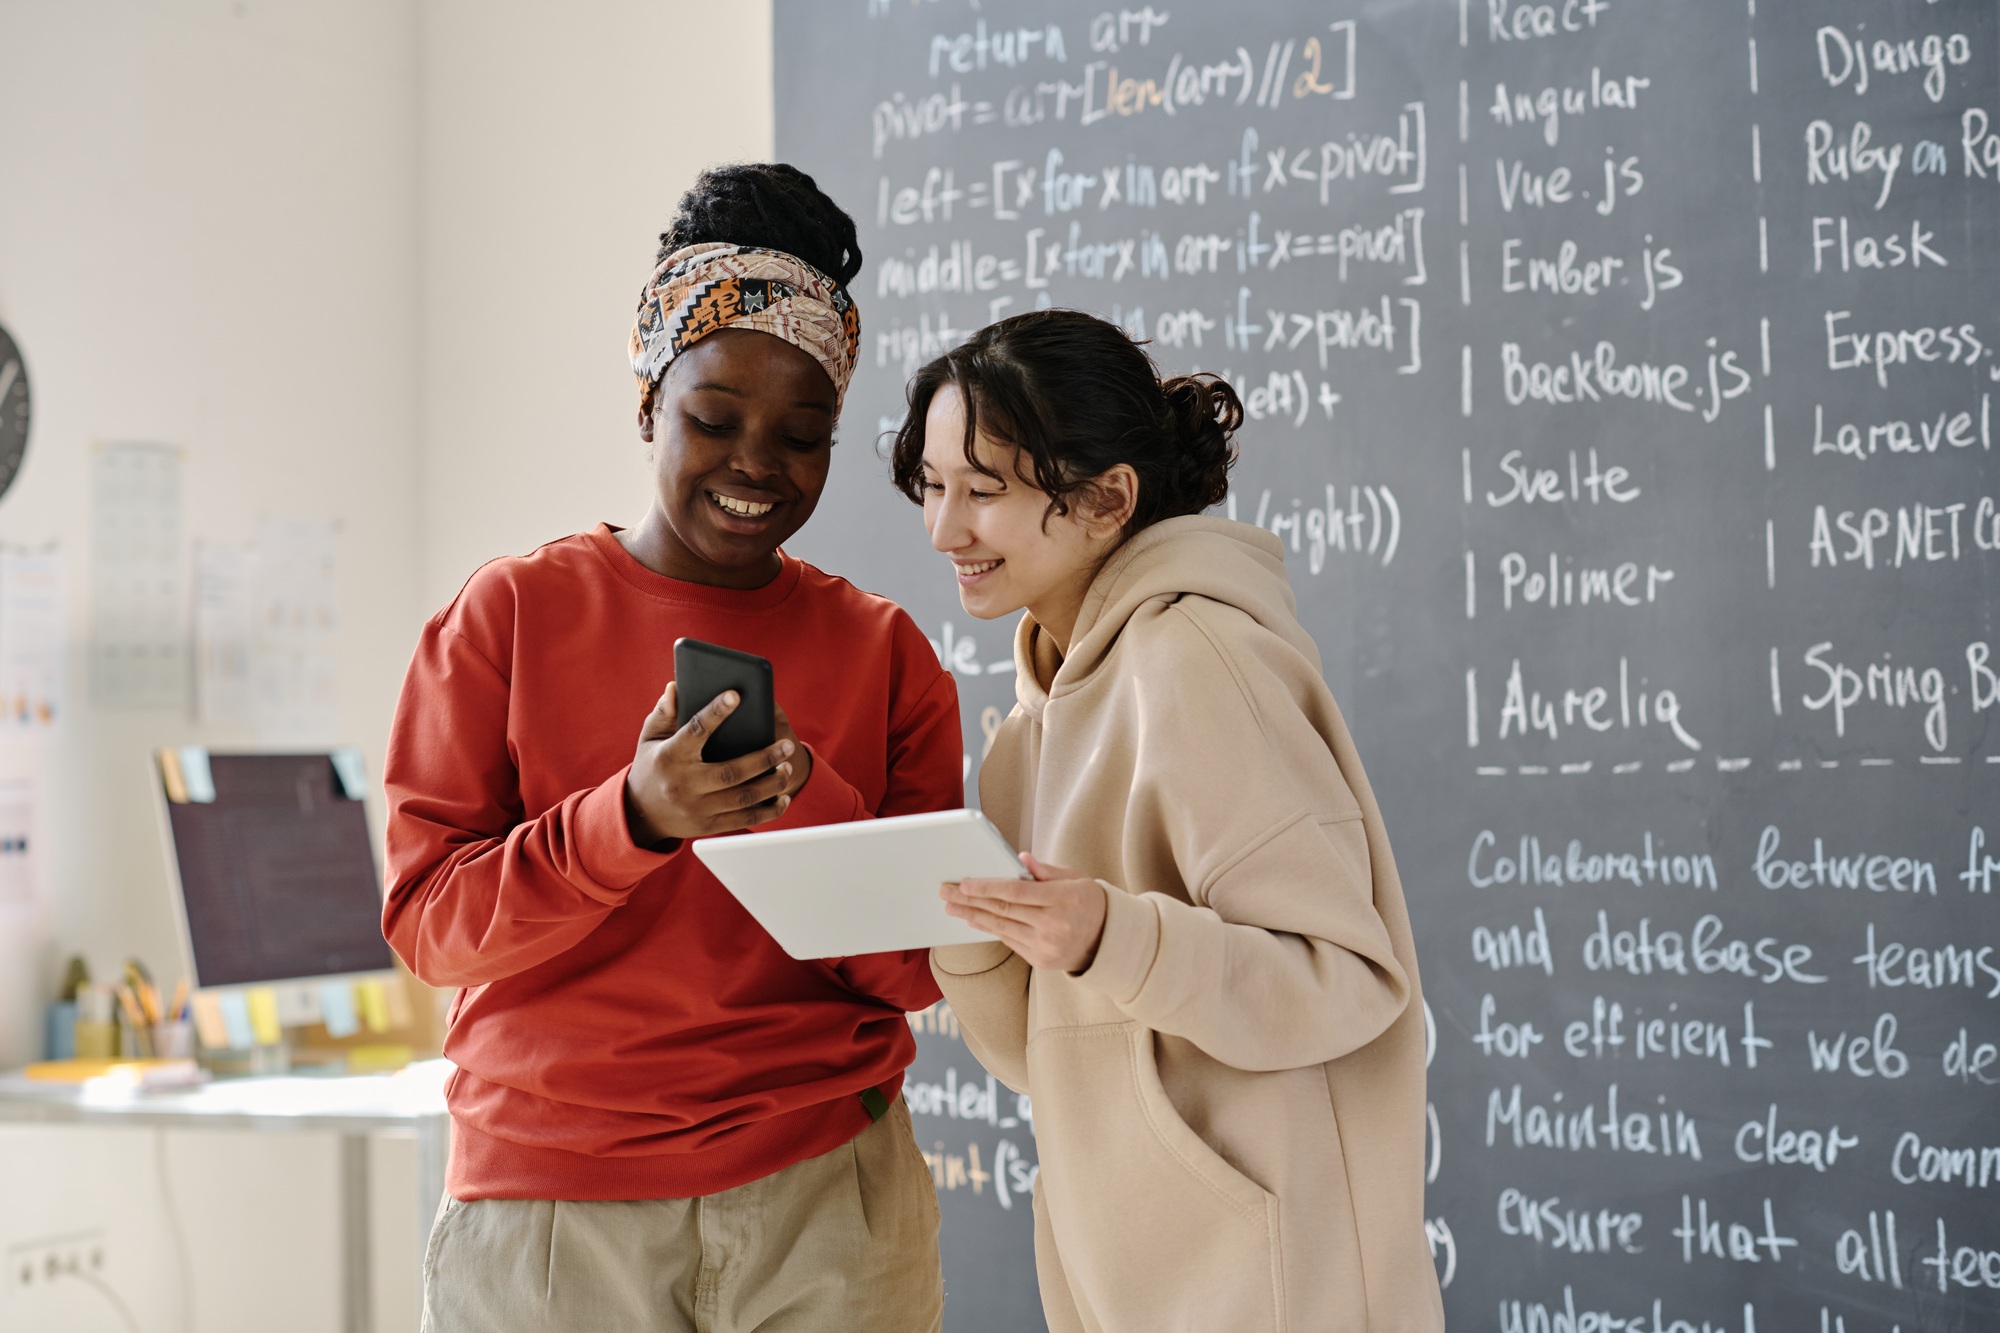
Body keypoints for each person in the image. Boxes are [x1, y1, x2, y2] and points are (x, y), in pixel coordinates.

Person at [383, 163, 956, 1333]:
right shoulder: (506, 617)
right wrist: (630, 821)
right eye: (713, 419)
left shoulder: (884, 652)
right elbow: (431, 928)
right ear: (648, 401)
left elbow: (919, 966)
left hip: (824, 1205)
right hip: (551, 1217)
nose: (758, 465)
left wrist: (797, 804)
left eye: (804, 436)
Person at [892, 309, 1444, 1332]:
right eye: (931, 486)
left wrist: (1113, 933)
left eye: (984, 490)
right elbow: (1048, 1052)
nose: (943, 529)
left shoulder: (1195, 660)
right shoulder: (1030, 730)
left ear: (1106, 499)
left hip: (1271, 1287)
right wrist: (962, 925)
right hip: (1126, 1280)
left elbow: (1349, 981)